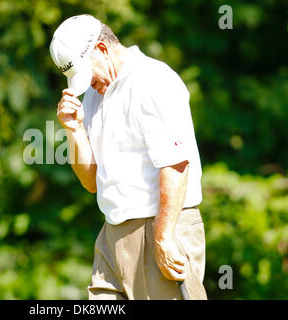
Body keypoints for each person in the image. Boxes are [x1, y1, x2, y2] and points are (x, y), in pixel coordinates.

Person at [50, 14, 207, 300]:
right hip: (112, 234)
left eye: (87, 73)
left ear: (101, 49)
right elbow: (90, 181)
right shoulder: (93, 96)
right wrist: (73, 131)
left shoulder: (154, 80)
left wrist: (163, 238)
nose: (88, 84)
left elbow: (175, 164)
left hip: (160, 227)